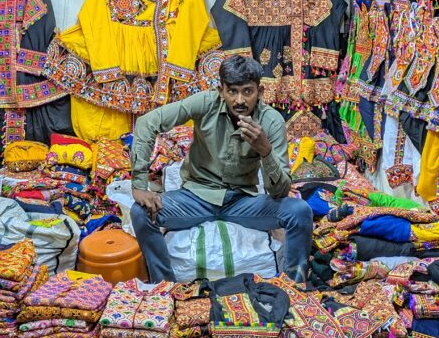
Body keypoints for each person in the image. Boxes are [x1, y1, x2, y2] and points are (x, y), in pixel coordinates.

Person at [130, 54, 312, 284]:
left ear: (261, 91)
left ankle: (293, 286)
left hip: (243, 202)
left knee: (299, 211)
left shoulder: (271, 121)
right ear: (220, 90)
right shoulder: (206, 103)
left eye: (248, 91)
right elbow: (148, 123)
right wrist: (139, 184)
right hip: (195, 197)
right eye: (232, 91)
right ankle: (164, 285)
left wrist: (265, 151)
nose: (239, 100)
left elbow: (279, 192)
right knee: (140, 212)